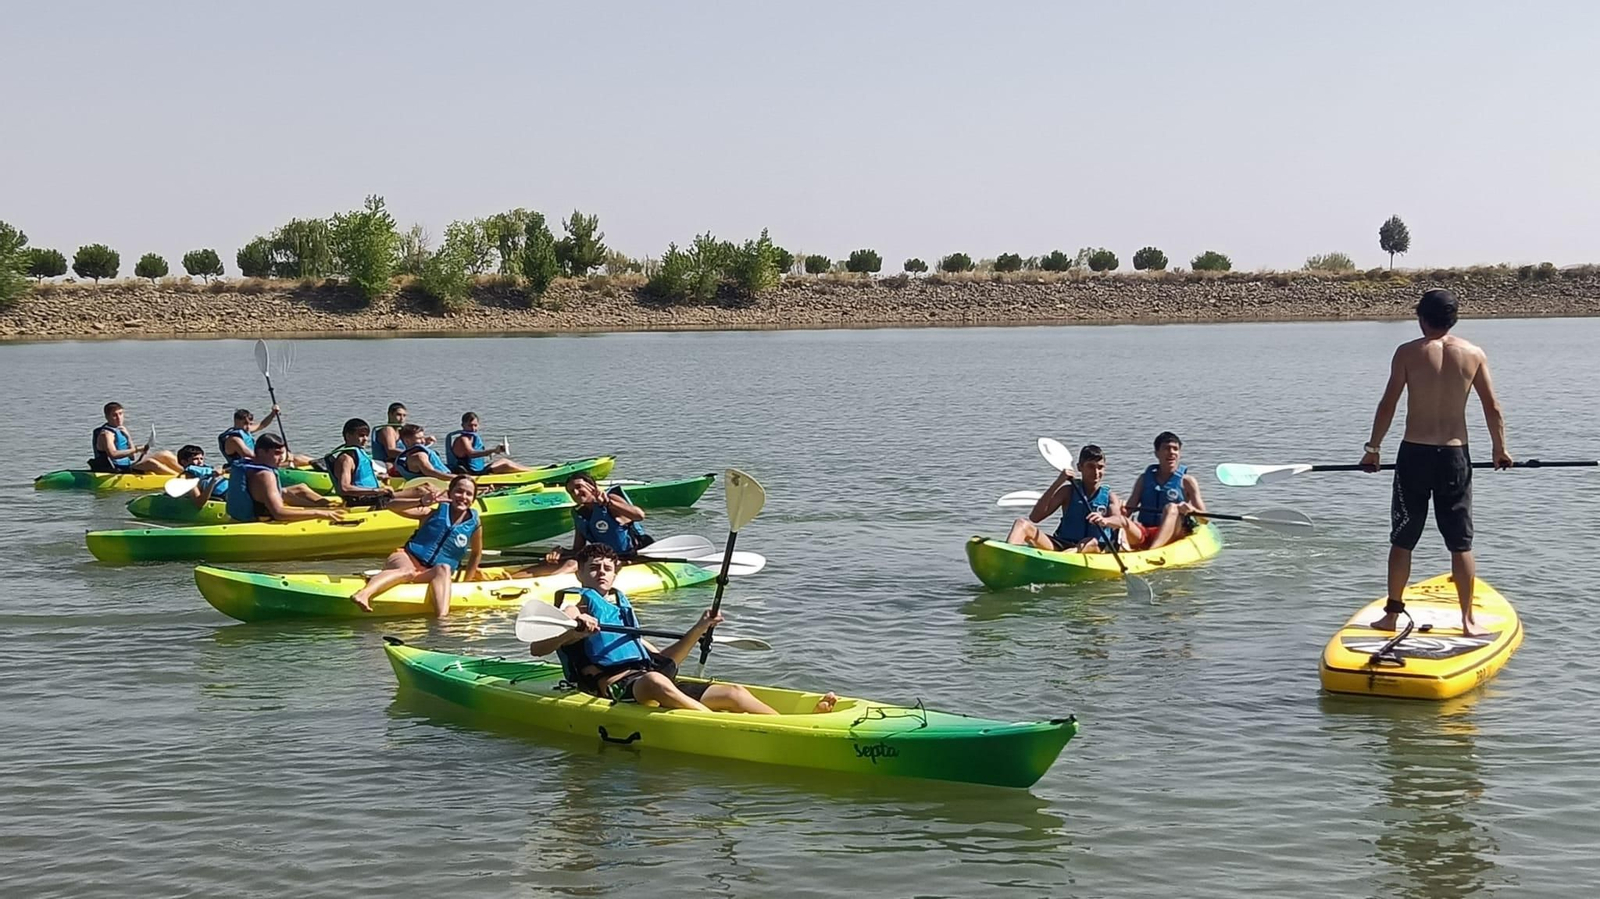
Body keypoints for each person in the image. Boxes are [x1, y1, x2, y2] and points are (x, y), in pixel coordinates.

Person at [526, 544, 837, 713]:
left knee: (734, 692)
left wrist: (700, 627)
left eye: (607, 568)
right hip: (615, 687)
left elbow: (664, 658)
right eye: (593, 567)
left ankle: (789, 724)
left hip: (649, 677)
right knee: (656, 682)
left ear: (616, 573)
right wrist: (574, 629)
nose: (601, 572)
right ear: (580, 573)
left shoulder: (620, 605)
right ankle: (711, 723)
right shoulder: (576, 603)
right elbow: (537, 648)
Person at [1360, 288, 1511, 636]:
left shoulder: (1408, 353)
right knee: (1461, 542)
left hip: (1414, 454)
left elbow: (1388, 404)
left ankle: (1392, 614)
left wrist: (1373, 448)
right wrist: (1499, 449)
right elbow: (1493, 407)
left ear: (1421, 318)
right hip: (1455, 456)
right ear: (1453, 318)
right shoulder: (1474, 354)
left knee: (1403, 538)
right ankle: (1468, 620)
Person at [349, 475, 484, 615]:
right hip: (407, 558)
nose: (463, 496)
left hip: (429, 573)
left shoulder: (474, 523)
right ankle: (364, 594)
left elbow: (476, 553)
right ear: (449, 493)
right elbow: (390, 506)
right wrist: (421, 501)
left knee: (444, 568)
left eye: (469, 494)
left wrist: (467, 583)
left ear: (473, 499)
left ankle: (442, 623)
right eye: (459, 491)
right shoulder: (432, 512)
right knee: (408, 571)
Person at [1005, 444, 1139, 553]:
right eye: (1091, 467)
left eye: (1100, 467)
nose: (1096, 472)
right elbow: (1035, 517)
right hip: (1063, 544)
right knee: (1021, 524)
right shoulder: (1068, 491)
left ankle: (1067, 556)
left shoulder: (1109, 496)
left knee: (1090, 541)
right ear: (1080, 467)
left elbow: (1118, 520)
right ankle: (1007, 556)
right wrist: (1058, 482)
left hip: (1094, 548)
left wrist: (1104, 520)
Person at [518, 472, 649, 577]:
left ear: (593, 487)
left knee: (573, 563)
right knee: (550, 563)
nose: (575, 493)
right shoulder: (578, 513)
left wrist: (608, 502)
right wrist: (560, 552)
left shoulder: (611, 501)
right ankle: (507, 578)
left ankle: (545, 584)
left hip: (626, 557)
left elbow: (639, 515)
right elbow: (578, 550)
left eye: (579, 487)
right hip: (599, 557)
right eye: (571, 491)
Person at [224, 433, 344, 523]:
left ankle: (325, 504)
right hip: (259, 521)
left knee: (300, 488)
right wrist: (319, 514)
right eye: (276, 453)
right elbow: (279, 513)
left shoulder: (250, 464)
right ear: (261, 452)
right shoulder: (265, 475)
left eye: (282, 453)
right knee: (294, 497)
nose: (281, 458)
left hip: (241, 514)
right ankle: (323, 508)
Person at [324, 418, 439, 511]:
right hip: (364, 500)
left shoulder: (358, 454)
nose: (365, 439)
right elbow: (344, 488)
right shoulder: (346, 459)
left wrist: (379, 477)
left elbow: (359, 475)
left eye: (366, 435)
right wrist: (376, 491)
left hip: (374, 495)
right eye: (361, 435)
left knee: (428, 486)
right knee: (422, 491)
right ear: (348, 436)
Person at [1124, 432, 1207, 550]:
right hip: (1146, 529)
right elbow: (1128, 511)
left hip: (1175, 531)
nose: (1172, 452)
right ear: (1157, 453)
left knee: (1172, 507)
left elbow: (1205, 520)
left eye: (1175, 449)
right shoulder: (1143, 479)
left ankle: (1153, 550)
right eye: (1166, 448)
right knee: (1118, 508)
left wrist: (1192, 510)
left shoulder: (1187, 482)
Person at [90, 402, 181, 475]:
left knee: (165, 454)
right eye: (114, 415)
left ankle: (187, 473)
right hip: (117, 468)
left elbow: (132, 457)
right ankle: (179, 479)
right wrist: (136, 449)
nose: (118, 418)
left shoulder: (122, 430)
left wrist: (128, 437)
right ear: (107, 417)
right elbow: (113, 454)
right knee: (150, 462)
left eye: (120, 414)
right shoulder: (106, 434)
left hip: (128, 464)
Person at [218, 407, 313, 467]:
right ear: (236, 421)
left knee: (294, 456)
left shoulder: (245, 430)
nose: (248, 427)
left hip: (257, 461)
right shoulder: (234, 439)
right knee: (293, 459)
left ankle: (318, 463)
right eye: (245, 423)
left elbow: (262, 425)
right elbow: (250, 455)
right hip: (248, 466)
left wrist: (272, 414)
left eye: (250, 424)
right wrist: (274, 456)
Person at [446, 412, 532, 475]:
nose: (473, 428)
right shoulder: (463, 439)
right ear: (463, 425)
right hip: (471, 473)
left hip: (478, 470)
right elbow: (472, 454)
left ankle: (531, 471)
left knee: (504, 461)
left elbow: (479, 453)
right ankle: (531, 473)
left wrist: (498, 450)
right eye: (470, 425)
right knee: (506, 464)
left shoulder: (473, 438)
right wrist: (493, 450)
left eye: (475, 425)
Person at [390, 423, 455, 480]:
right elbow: (430, 472)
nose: (423, 441)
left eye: (423, 438)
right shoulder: (418, 456)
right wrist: (456, 478)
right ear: (407, 441)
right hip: (435, 483)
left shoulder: (410, 455)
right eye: (419, 438)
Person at [371, 402, 412, 471]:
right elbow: (391, 451)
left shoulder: (399, 431)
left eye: (404, 416)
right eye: (398, 415)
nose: (402, 419)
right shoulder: (388, 430)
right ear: (390, 415)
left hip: (399, 461)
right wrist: (411, 453)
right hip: (386, 463)